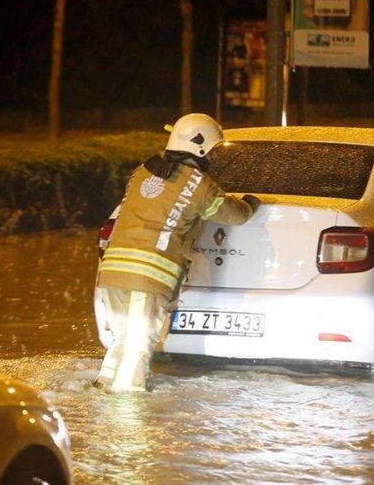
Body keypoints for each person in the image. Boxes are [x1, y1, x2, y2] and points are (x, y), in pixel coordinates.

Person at [95, 113, 261, 392]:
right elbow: (234, 215)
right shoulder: (198, 185)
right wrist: (251, 204)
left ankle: (102, 387)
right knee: (138, 347)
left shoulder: (142, 172)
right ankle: (125, 412)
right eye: (213, 150)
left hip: (111, 273)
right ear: (201, 147)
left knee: (122, 340)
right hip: (145, 279)